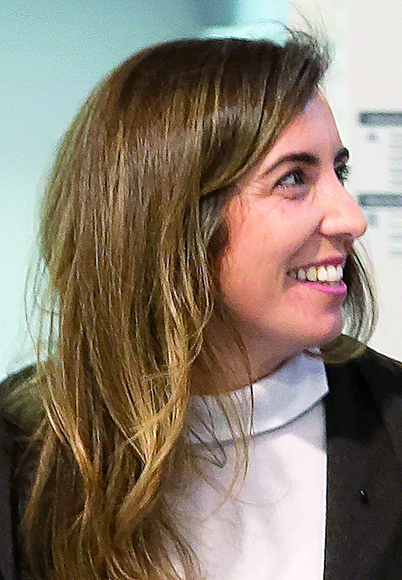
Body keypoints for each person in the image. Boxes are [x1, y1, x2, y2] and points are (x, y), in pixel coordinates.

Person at [2, 31, 402, 580]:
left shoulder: (392, 424)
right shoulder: (23, 448)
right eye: (293, 179)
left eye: (340, 171)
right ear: (168, 218)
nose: (351, 219)